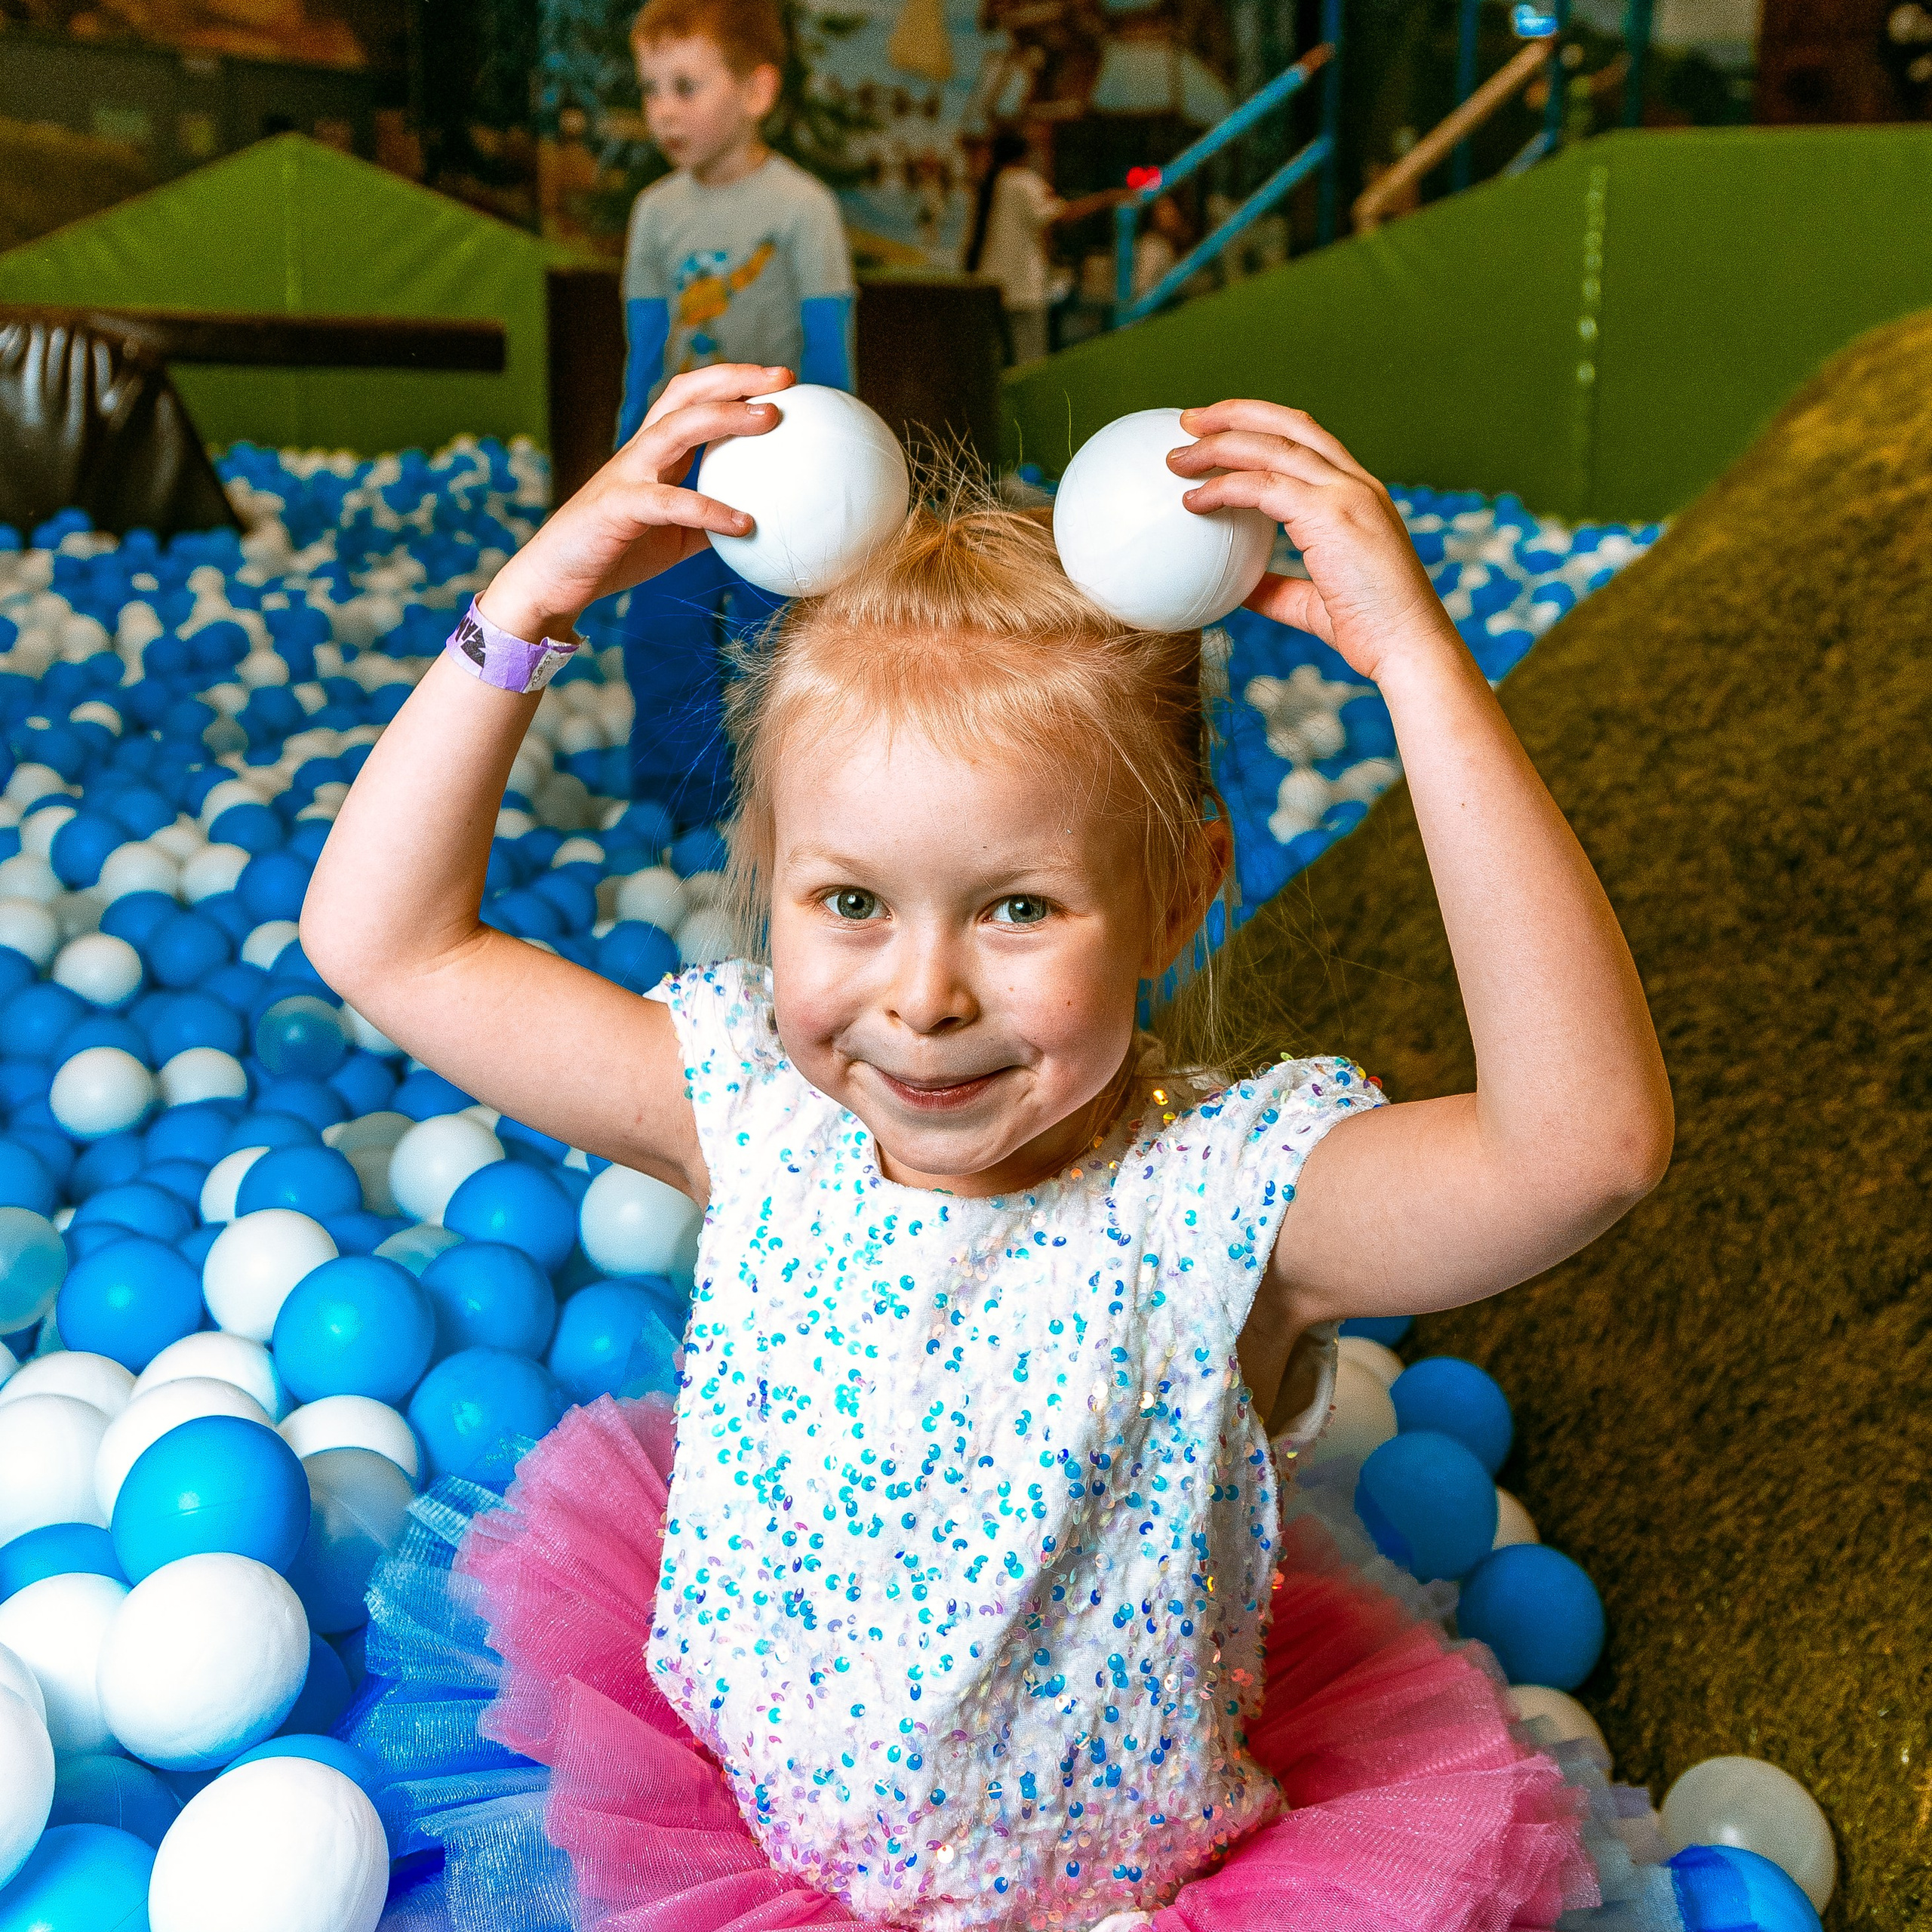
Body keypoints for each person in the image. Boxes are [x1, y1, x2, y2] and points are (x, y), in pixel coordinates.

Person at [309, 365, 1694, 1932]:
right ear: (767, 884)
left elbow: (1586, 1145)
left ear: (1178, 893)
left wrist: (1419, 676)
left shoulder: (1228, 1206)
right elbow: (384, 939)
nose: (921, 994)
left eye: (1017, 905)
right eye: (848, 902)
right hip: (717, 1848)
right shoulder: (757, 1108)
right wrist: (528, 601)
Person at [612, 0, 857, 826]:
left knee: (774, 638)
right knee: (659, 627)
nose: (663, 110)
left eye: (686, 86)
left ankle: (781, 804)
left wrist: (834, 474)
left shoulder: (801, 208)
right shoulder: (656, 212)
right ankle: (678, 798)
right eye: (650, 89)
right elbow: (644, 350)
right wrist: (626, 460)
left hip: (776, 465)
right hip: (683, 458)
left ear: (755, 91)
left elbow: (828, 349)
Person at [966, 129, 1122, 363]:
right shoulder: (1023, 182)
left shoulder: (994, 183)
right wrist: (1108, 198)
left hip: (992, 284)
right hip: (1022, 290)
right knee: (1029, 361)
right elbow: (1062, 214)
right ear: (1024, 155)